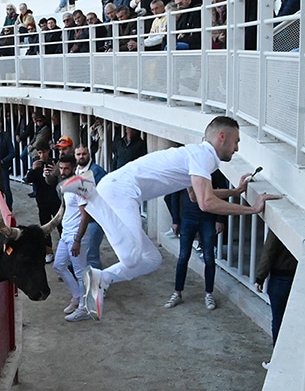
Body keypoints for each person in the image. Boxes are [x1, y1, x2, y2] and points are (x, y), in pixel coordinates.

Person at [64, 116, 282, 321]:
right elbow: (207, 203)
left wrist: (236, 192)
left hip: (120, 189)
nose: (237, 148)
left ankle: (101, 279)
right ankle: (89, 193)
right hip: (121, 190)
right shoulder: (203, 156)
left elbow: (196, 196)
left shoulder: (197, 156)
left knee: (151, 260)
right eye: (236, 142)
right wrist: (252, 209)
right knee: (131, 257)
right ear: (221, 137)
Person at [163, 169, 230, 311]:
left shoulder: (214, 171)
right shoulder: (186, 171)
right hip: (188, 219)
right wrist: (175, 220)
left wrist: (220, 219)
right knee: (183, 257)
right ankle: (177, 292)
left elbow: (223, 194)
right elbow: (174, 195)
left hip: (208, 219)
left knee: (209, 257)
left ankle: (209, 293)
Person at [52, 154, 93, 322]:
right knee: (58, 265)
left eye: (66, 168)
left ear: (73, 167)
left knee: (80, 271)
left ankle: (84, 307)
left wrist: (77, 240)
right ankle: (77, 297)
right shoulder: (67, 185)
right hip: (67, 233)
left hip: (77, 236)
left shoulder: (79, 185)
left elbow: (85, 216)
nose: (62, 171)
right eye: (61, 168)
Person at [254, 230, 297, 369]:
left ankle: (279, 359)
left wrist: (260, 277)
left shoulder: (280, 225)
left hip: (280, 276)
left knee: (278, 319)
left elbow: (269, 251)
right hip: (301, 275)